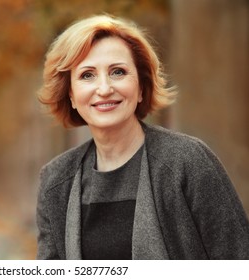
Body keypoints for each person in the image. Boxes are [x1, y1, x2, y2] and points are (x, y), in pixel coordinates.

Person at [35, 14, 249, 260]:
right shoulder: (55, 180)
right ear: (70, 95)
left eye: (118, 72)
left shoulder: (188, 162)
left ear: (141, 88)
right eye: (87, 75)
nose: (104, 89)